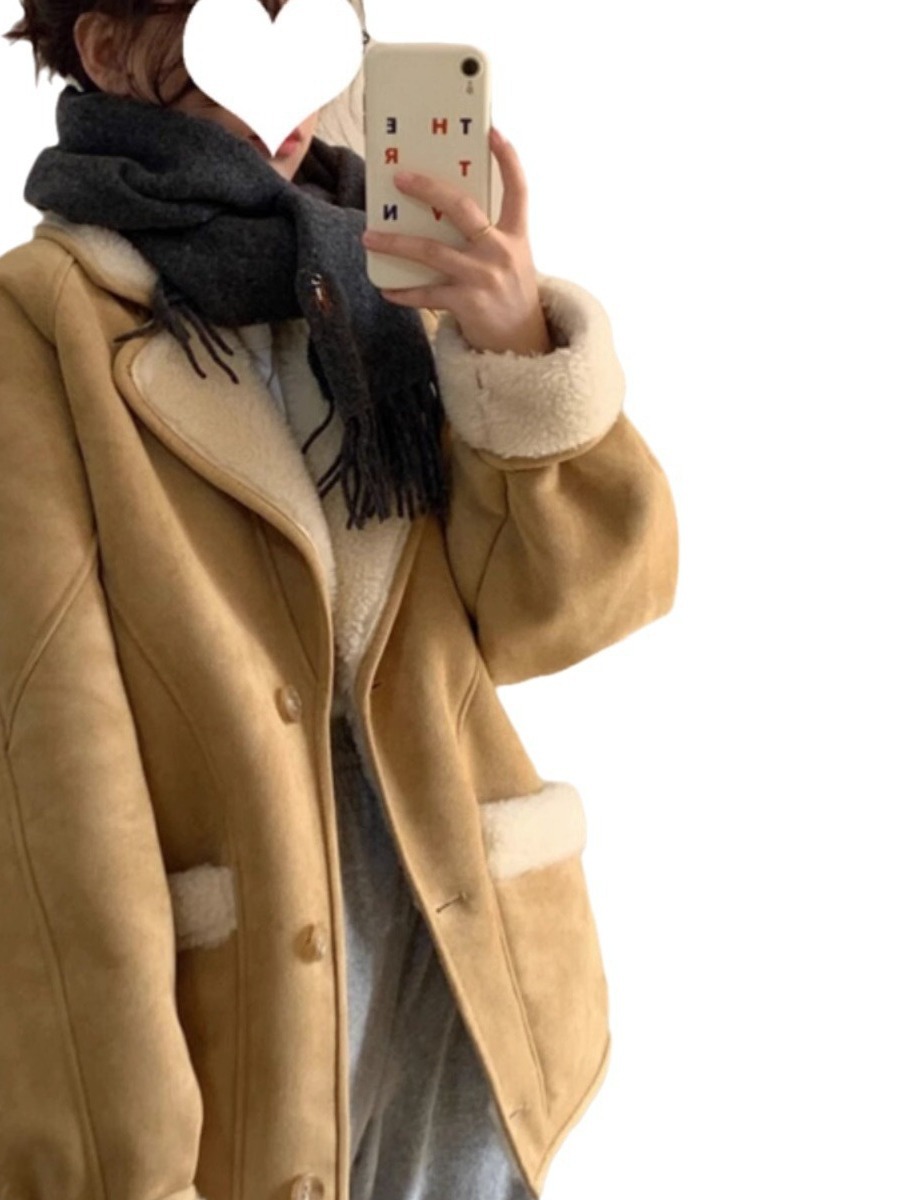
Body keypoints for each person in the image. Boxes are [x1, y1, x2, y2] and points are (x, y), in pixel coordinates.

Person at [0, 2, 680, 1199]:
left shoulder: (381, 289)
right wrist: (121, 1158)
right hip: (247, 1022)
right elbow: (55, 777)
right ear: (109, 49)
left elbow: (565, 611)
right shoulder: (41, 325)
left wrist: (514, 348)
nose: (294, 92)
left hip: (464, 986)